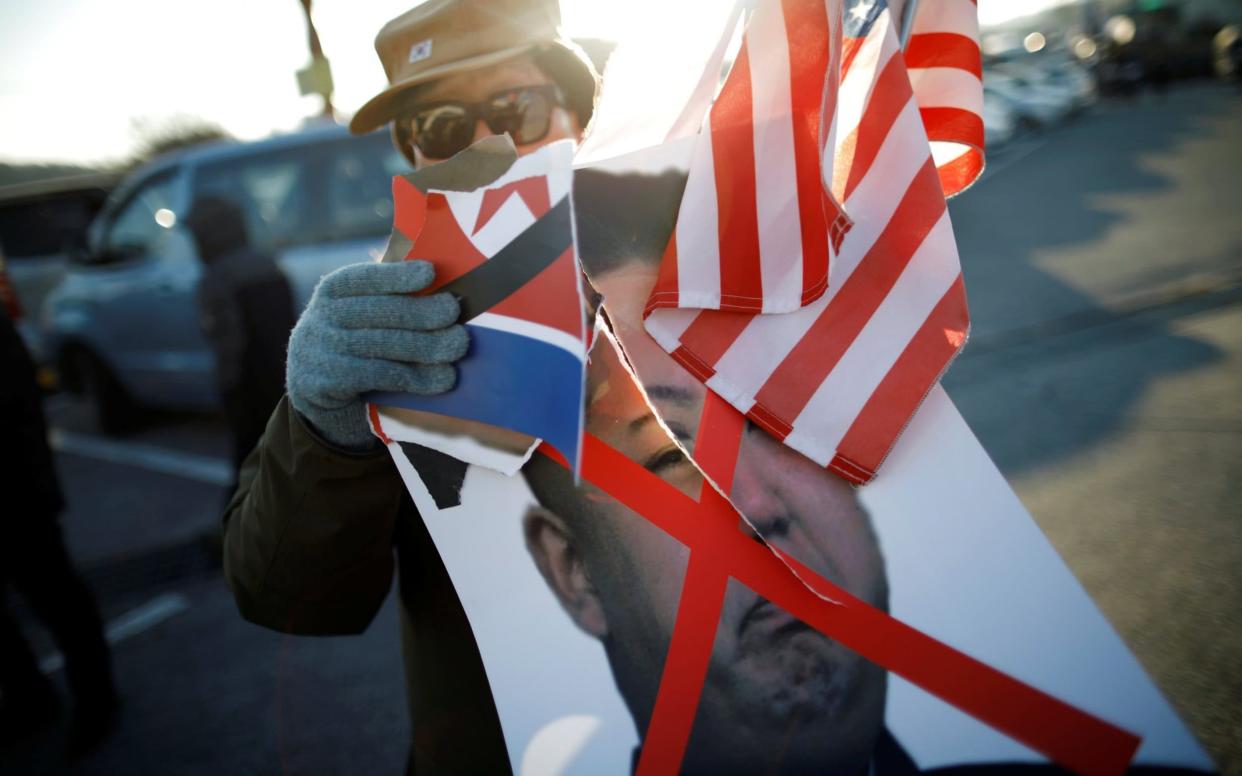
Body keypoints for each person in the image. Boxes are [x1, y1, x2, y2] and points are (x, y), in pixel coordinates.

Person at [220, 0, 598, 772]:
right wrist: (326, 431)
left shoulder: (711, 266)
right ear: (412, 152)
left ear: (574, 113)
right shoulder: (390, 325)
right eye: (443, 127)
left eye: (514, 107)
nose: (487, 144)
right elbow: (287, 600)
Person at [0, 249, 119, 757]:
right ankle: (31, 699)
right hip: (19, 486)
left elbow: (20, 406)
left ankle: (97, 700)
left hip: (13, 492)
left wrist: (39, 487)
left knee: (56, 596)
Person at [183, 195, 296, 478]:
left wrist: (228, 391)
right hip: (288, 380)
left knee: (250, 466)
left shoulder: (217, 278)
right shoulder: (268, 264)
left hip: (248, 390)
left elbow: (227, 342)